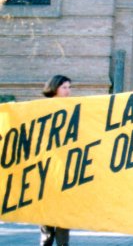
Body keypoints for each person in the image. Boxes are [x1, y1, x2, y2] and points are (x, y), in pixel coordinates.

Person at [40, 75, 72, 246]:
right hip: (47, 170)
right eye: (64, 87)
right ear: (54, 88)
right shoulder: (41, 108)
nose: (68, 91)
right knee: (46, 221)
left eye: (69, 87)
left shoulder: (73, 108)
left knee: (63, 220)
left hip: (65, 170)